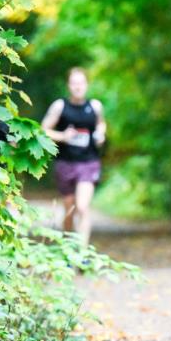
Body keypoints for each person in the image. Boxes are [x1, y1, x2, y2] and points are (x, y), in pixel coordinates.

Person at [41, 67, 106, 244]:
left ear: (87, 85)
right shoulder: (60, 106)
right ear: (68, 86)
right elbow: (43, 130)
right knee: (69, 209)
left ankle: (82, 251)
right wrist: (63, 136)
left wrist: (100, 134)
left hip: (88, 162)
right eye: (74, 83)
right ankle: (68, 248)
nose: (78, 87)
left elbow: (101, 124)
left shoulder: (95, 106)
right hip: (66, 163)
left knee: (82, 207)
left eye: (81, 83)